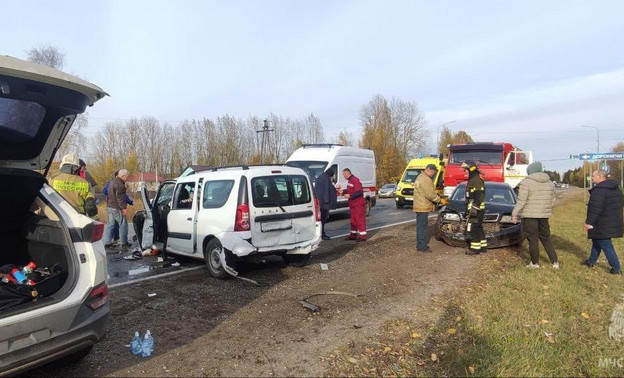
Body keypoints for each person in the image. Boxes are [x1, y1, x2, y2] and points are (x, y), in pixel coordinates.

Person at [511, 161, 559, 269]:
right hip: (544, 215)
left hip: (530, 215)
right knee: (546, 238)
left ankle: (534, 263)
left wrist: (515, 213)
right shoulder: (550, 183)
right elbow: (553, 199)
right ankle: (555, 262)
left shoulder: (526, 183)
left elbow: (521, 201)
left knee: (533, 239)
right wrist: (546, 209)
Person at [582, 169, 623, 274]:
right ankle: (591, 261)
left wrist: (589, 222)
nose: (592, 178)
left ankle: (616, 268)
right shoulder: (616, 189)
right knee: (597, 241)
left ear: (600, 177)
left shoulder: (599, 191)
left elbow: (595, 209)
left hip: (602, 222)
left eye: (593, 176)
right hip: (611, 220)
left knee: (606, 244)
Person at [50, 154, 98, 219]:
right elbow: (90, 205)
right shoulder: (84, 183)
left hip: (58, 217)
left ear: (62, 165)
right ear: (77, 167)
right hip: (78, 218)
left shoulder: (52, 180)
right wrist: (95, 219)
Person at [412, 164, 447, 252]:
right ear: (430, 170)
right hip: (422, 206)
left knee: (421, 226)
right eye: (434, 173)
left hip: (419, 205)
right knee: (422, 227)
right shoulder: (426, 179)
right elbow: (430, 194)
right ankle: (421, 246)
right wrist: (440, 200)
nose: (433, 174)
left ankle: (420, 244)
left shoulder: (420, 177)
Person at [103, 171, 134, 244]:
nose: (127, 179)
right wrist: (124, 208)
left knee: (111, 225)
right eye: (127, 177)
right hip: (117, 208)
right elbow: (121, 198)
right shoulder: (120, 185)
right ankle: (124, 242)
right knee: (123, 225)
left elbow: (107, 193)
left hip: (110, 207)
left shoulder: (111, 182)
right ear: (123, 176)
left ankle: (106, 242)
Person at [463, 161, 486, 255]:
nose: (465, 171)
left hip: (476, 209)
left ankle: (475, 249)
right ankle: (483, 247)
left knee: (473, 228)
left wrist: (474, 207)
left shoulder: (476, 180)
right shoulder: (473, 179)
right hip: (474, 208)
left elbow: (479, 194)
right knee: (478, 227)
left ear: (471, 169)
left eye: (466, 169)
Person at [341, 168, 367, 242]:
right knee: (353, 220)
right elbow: (351, 191)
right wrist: (343, 192)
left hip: (358, 204)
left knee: (360, 219)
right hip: (353, 204)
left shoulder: (355, 180)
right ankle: (353, 235)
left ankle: (362, 236)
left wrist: (350, 196)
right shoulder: (350, 181)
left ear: (347, 173)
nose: (343, 176)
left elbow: (359, 192)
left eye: (344, 174)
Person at [315, 168, 338, 240]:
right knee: (323, 219)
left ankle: (321, 234)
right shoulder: (326, 178)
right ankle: (322, 234)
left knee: (321, 220)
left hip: (320, 202)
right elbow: (326, 190)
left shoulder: (321, 177)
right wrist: (327, 201)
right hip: (324, 204)